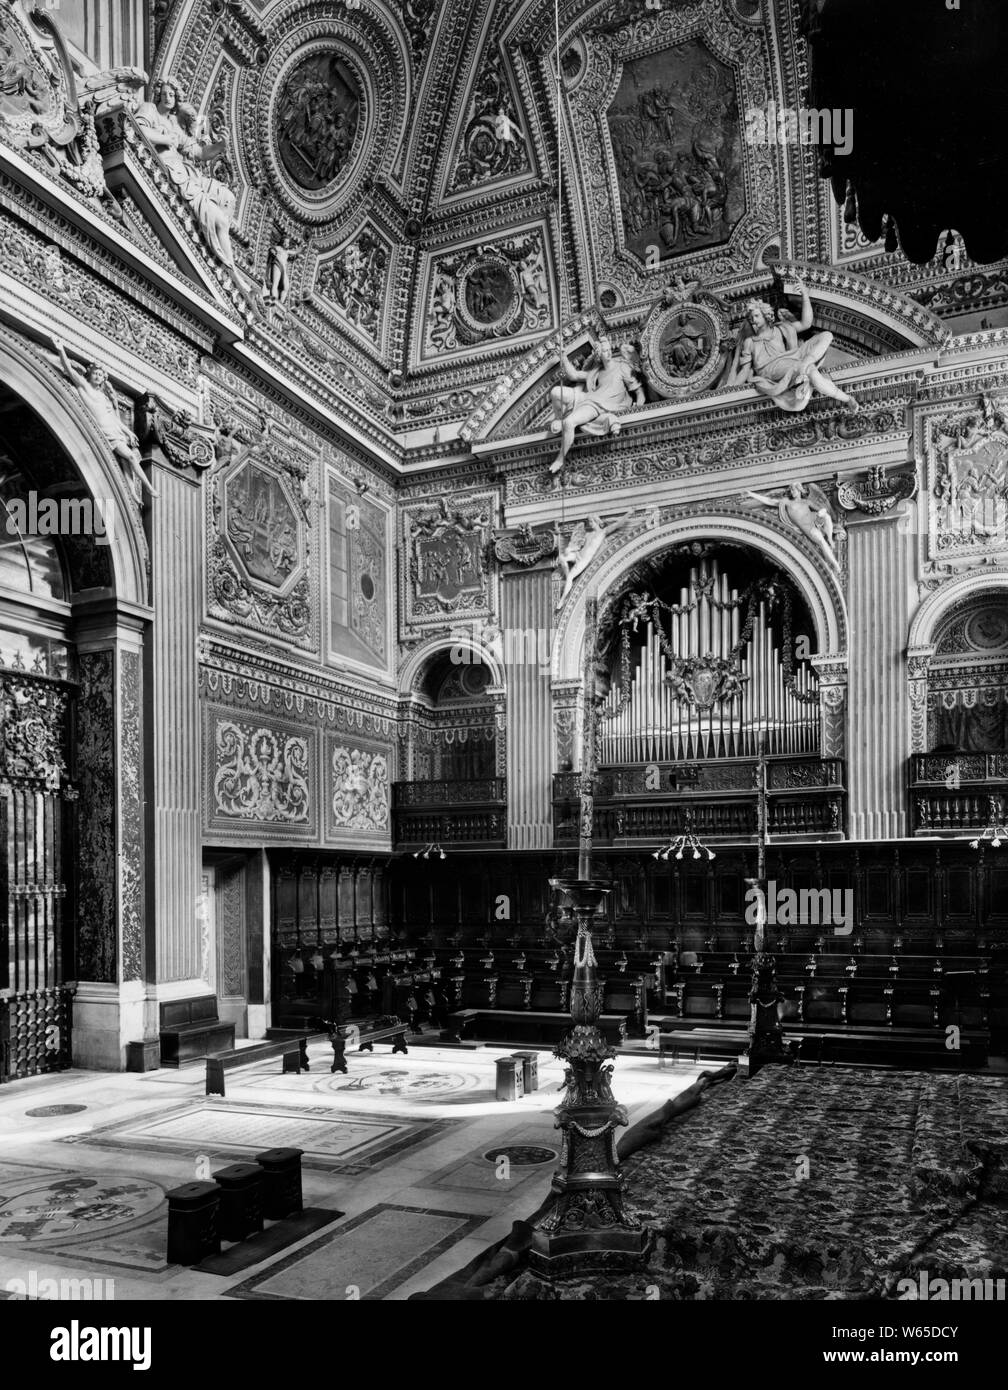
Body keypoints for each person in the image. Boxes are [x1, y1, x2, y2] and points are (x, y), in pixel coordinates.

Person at [135, 77, 236, 269]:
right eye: (164, 93)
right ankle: (226, 268)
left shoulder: (173, 121)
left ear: (176, 99)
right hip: (171, 168)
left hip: (186, 170)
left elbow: (199, 152)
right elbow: (137, 128)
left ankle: (216, 255)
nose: (167, 97)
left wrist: (220, 146)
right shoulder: (149, 109)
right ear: (157, 95)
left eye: (171, 94)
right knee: (219, 219)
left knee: (227, 197)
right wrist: (165, 139)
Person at [52, 336, 157, 502]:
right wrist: (60, 349)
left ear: (103, 379)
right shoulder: (85, 387)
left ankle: (133, 493)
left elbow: (114, 419)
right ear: (90, 374)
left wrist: (128, 431)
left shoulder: (104, 397)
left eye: (101, 375)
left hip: (113, 430)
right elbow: (69, 370)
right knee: (129, 457)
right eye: (96, 373)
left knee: (127, 463)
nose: (98, 377)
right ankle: (148, 487)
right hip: (104, 432)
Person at [731, 277, 858, 412]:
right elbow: (744, 371)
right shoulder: (750, 342)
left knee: (826, 335)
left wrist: (805, 295)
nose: (753, 320)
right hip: (771, 368)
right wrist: (731, 389)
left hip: (791, 358)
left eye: (756, 316)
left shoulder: (780, 329)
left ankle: (806, 363)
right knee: (812, 372)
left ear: (765, 315)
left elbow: (806, 323)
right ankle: (847, 399)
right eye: (751, 318)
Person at [548, 334, 645, 475]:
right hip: (589, 398)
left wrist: (639, 407)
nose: (609, 352)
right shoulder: (596, 372)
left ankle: (560, 459)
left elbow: (639, 391)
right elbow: (573, 376)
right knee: (556, 392)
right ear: (599, 355)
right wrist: (563, 356)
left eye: (609, 349)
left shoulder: (622, 367)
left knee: (570, 423)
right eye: (605, 351)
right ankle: (559, 419)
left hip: (599, 406)